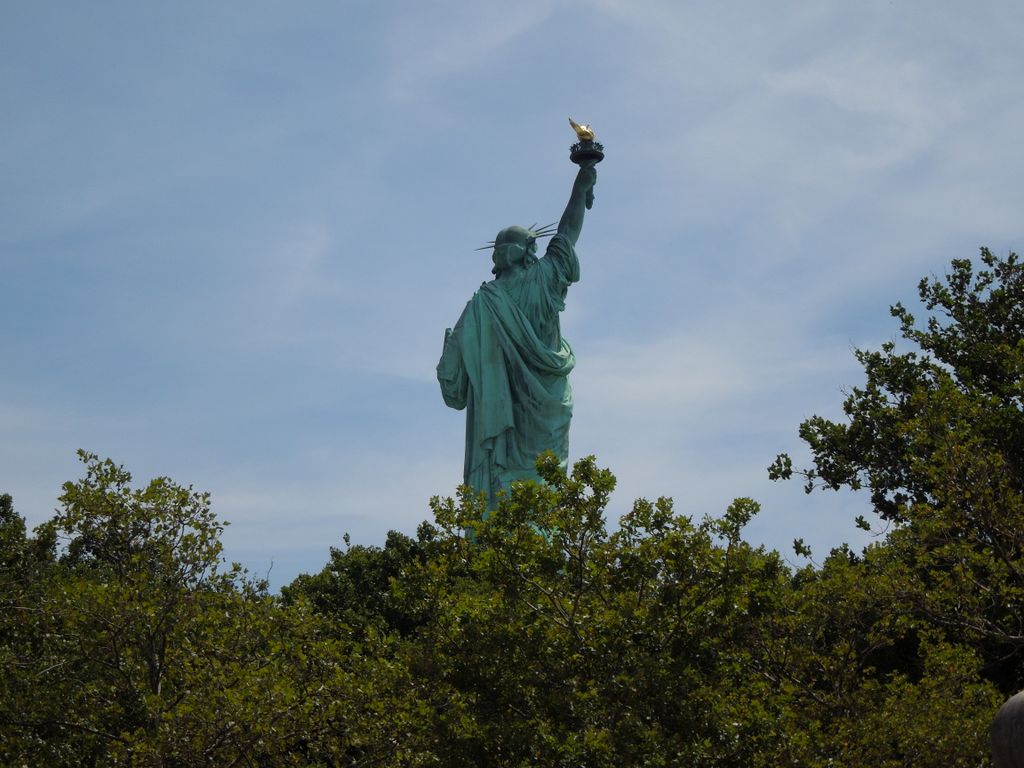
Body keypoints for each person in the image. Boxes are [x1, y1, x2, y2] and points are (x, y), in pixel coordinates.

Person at [437, 160, 598, 510]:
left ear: (498, 256)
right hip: (548, 408)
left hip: (502, 426)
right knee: (547, 492)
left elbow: (453, 387)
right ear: (529, 252)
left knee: (512, 497)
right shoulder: (544, 279)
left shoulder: (481, 305)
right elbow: (567, 232)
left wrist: (451, 346)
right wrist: (581, 185)